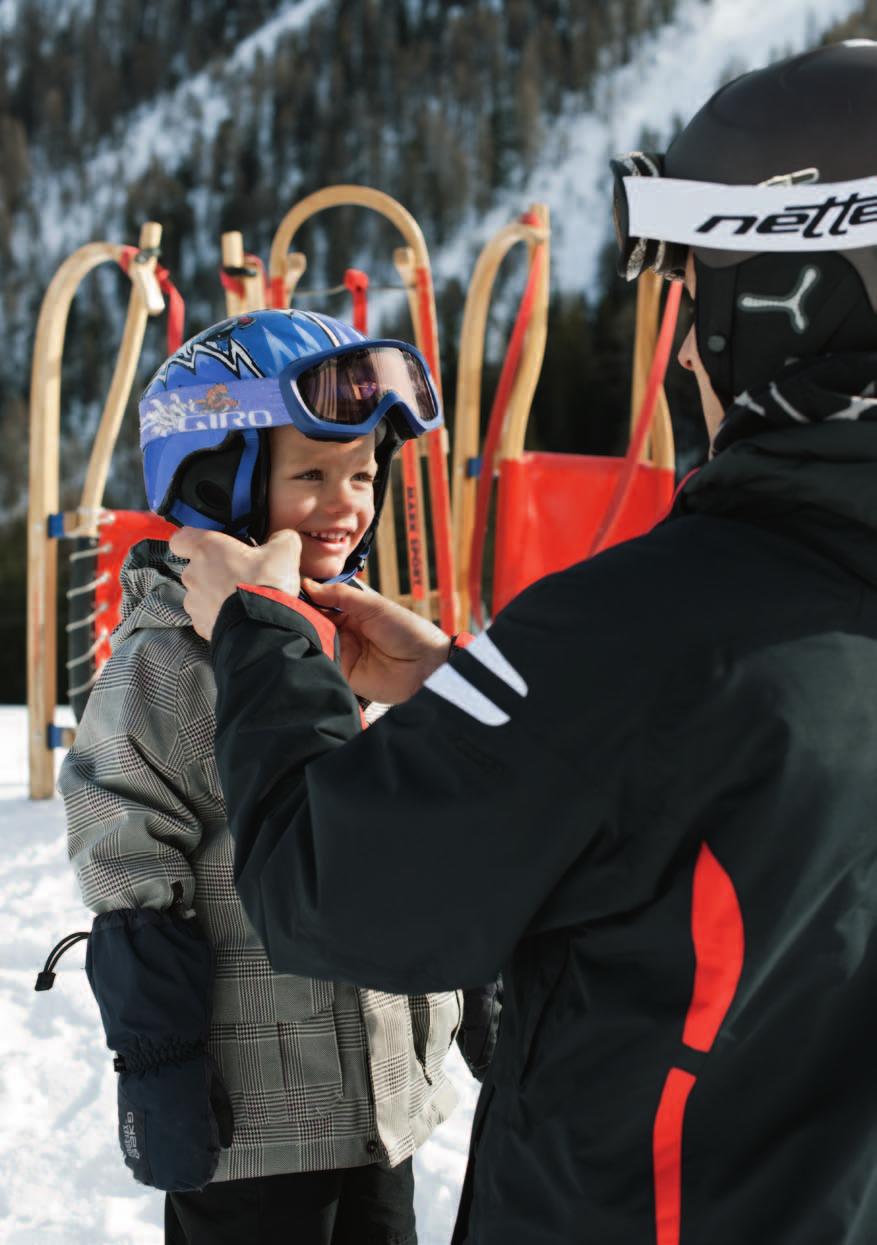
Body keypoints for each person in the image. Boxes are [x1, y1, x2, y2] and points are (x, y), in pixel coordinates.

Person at [172, 43, 877, 1245]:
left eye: (701, 295)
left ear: (788, 305)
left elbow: (331, 892)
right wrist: (471, 690)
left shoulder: (636, 633)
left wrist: (261, 638)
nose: (691, 351)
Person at [59, 308, 489, 1245]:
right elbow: (123, 850)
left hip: (377, 1104)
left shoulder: (342, 639)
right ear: (220, 480)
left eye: (363, 473)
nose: (346, 503)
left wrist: (478, 976)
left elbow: (400, 834)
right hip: (253, 1121)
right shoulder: (168, 660)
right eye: (311, 474)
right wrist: (161, 1062)